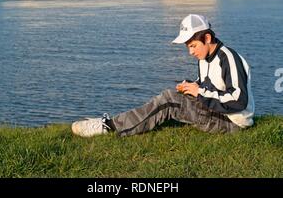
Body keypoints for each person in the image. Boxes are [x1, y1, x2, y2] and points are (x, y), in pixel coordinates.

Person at [71, 14, 255, 137]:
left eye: (193, 46)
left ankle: (109, 127)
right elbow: (209, 85)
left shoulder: (229, 58)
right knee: (172, 96)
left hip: (232, 124)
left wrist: (199, 91)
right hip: (219, 113)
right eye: (188, 47)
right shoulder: (204, 57)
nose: (190, 52)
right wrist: (191, 86)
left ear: (207, 38)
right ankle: (115, 124)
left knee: (168, 100)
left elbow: (238, 100)